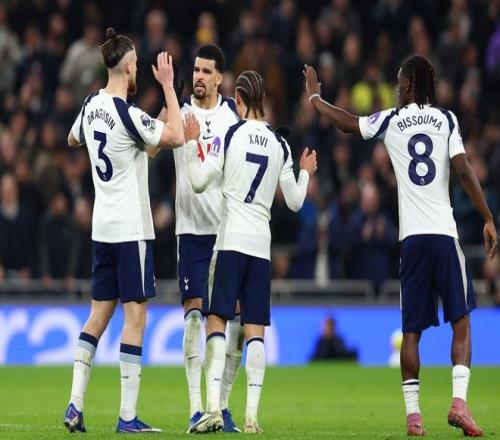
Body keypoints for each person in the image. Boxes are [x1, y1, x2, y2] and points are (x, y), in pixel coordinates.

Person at [304, 55, 497, 437]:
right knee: (461, 321)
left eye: (398, 81)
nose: (395, 87)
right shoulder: (446, 120)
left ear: (409, 84)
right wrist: (488, 217)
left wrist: (315, 99)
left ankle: (414, 417)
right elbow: (463, 169)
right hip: (444, 236)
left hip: (412, 241)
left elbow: (346, 123)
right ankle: (459, 403)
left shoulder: (391, 120)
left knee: (411, 331)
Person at [63, 27, 184, 433]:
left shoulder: (91, 105)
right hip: (131, 231)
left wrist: (133, 135)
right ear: (130, 67)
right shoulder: (127, 114)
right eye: (136, 65)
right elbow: (175, 137)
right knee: (136, 317)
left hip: (102, 229)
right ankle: (128, 417)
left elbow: (73, 138)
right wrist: (168, 86)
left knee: (97, 315)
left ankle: (75, 404)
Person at [185, 70, 317, 434]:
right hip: (261, 249)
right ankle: (251, 417)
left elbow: (198, 182)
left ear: (239, 100)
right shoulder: (279, 144)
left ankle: (213, 408)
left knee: (217, 322)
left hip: (230, 243)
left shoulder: (230, 134)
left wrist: (195, 144)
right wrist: (305, 172)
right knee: (255, 331)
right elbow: (295, 202)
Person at [172, 44, 244, 433]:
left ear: (219, 78)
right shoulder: (178, 111)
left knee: (231, 320)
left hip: (225, 231)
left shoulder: (233, 115)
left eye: (206, 71)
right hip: (191, 233)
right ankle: (196, 407)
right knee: (195, 318)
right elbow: (151, 148)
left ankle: (222, 405)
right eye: (196, 70)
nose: (198, 76)